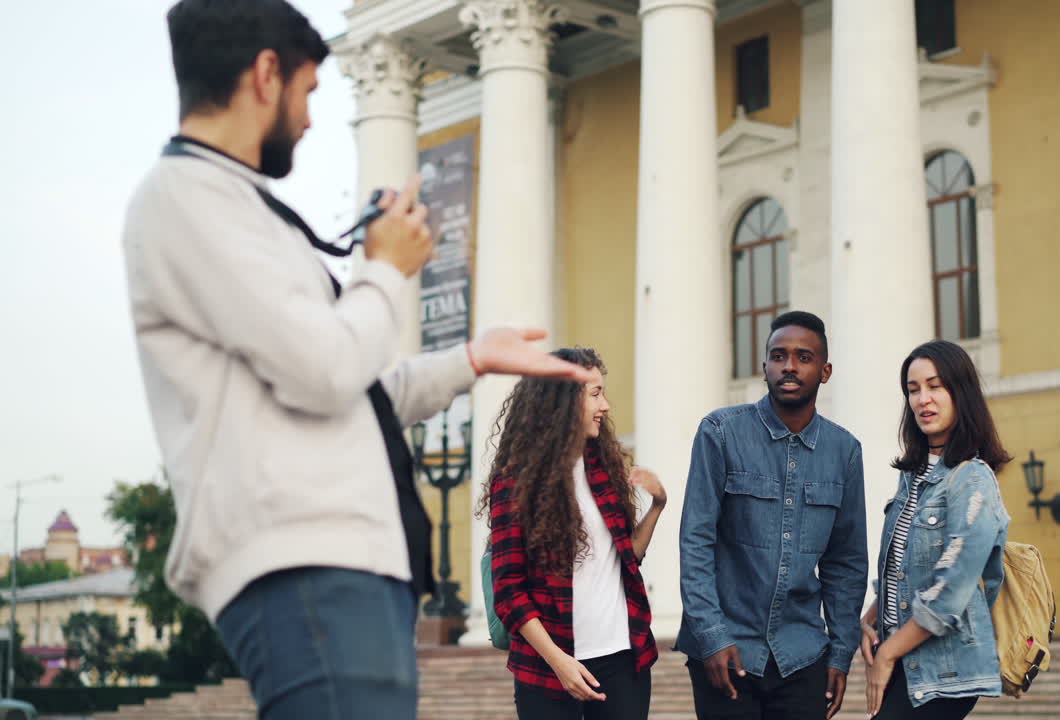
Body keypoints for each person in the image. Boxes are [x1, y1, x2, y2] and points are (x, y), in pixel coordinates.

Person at [122, 2, 591, 718]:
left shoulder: (230, 204)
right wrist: (387, 270)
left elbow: (353, 388)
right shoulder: (186, 198)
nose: (310, 120)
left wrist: (472, 358)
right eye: (310, 93)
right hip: (303, 563)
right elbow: (328, 368)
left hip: (335, 565)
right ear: (267, 74)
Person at [677, 311, 867, 720]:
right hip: (725, 652)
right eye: (778, 356)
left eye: (804, 357)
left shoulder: (845, 452)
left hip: (802, 655)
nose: (790, 366)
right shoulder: (720, 432)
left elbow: (846, 562)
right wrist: (710, 635)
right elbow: (696, 541)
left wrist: (841, 652)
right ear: (764, 366)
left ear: (825, 370)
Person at [481, 347, 665, 720]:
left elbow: (627, 558)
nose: (606, 406)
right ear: (562, 401)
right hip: (548, 669)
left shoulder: (603, 469)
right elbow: (509, 592)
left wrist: (658, 505)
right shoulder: (514, 483)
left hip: (622, 659)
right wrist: (560, 662)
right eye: (595, 393)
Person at [859, 340, 1012, 719]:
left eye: (935, 386)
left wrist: (888, 653)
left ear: (960, 392)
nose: (922, 399)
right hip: (904, 661)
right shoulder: (912, 478)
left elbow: (950, 593)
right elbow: (909, 566)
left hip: (942, 670)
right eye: (913, 390)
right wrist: (873, 614)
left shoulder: (971, 479)